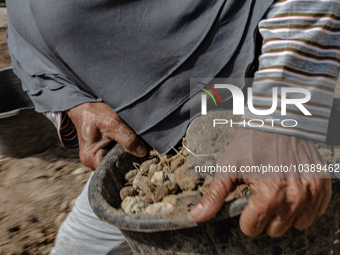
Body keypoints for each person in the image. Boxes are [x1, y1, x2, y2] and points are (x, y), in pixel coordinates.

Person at [6, 0, 339, 253]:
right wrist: (70, 101)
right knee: (75, 247)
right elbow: (27, 29)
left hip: (249, 101)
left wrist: (280, 113)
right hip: (152, 140)